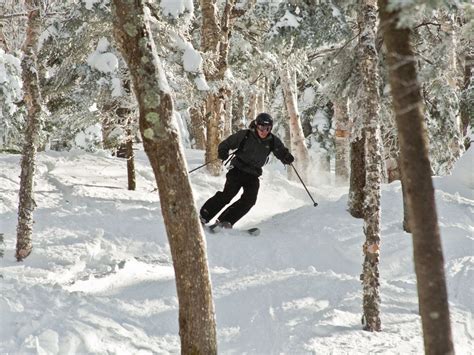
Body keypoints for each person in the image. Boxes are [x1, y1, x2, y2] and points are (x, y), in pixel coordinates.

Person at [200, 112, 294, 229]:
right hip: (238, 169)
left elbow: (281, 151)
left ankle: (225, 221)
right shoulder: (245, 135)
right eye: (261, 127)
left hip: (253, 174)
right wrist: (223, 152)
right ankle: (203, 216)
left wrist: (286, 157)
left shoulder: (272, 141)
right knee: (228, 195)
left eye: (267, 128)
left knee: (249, 200)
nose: (264, 131)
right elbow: (226, 144)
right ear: (256, 125)